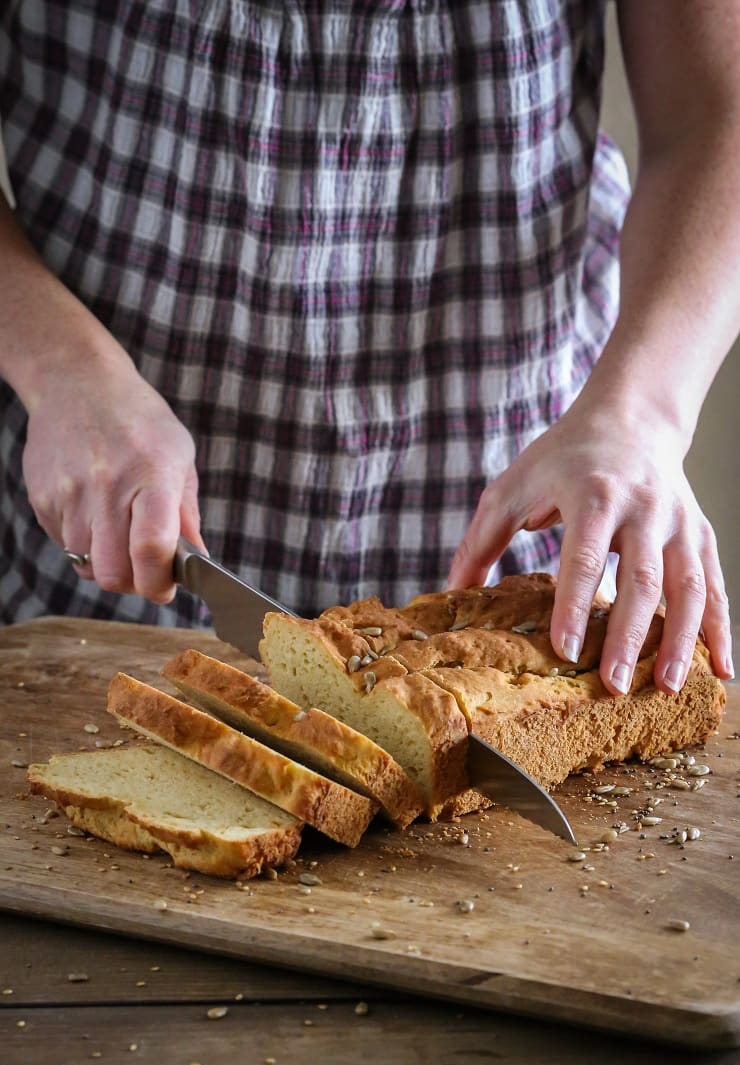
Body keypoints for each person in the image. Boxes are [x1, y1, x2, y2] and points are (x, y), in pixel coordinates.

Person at [0, 1, 736, 700]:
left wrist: (642, 412)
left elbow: (718, 117)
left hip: (520, 568)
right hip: (95, 551)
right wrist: (60, 365)